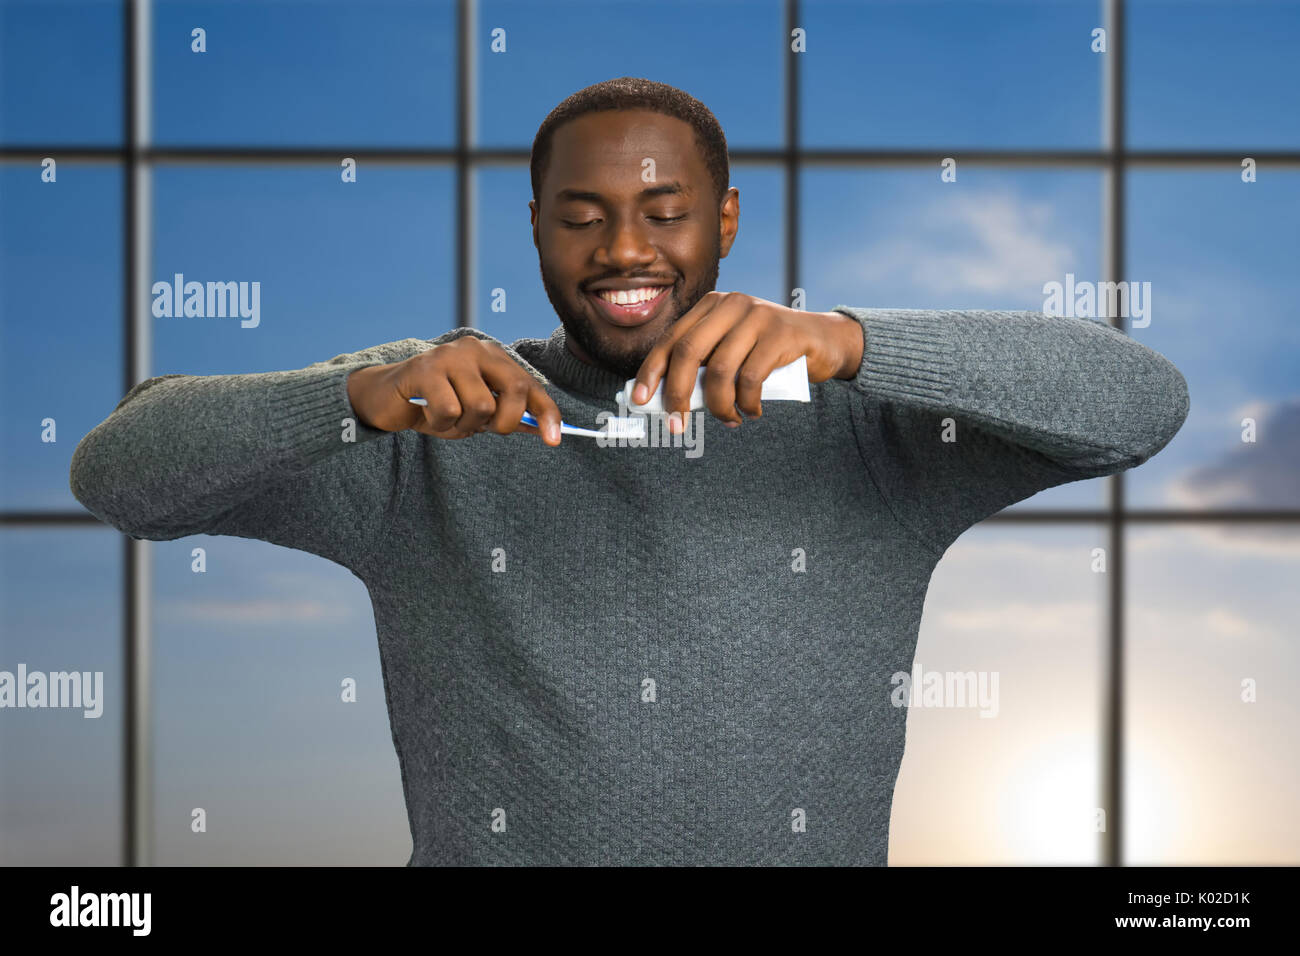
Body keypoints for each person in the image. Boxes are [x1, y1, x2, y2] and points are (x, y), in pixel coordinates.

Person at [70, 77, 1189, 865]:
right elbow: (118, 474)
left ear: (726, 220)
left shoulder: (864, 424)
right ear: (536, 230)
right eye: (582, 217)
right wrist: (345, 399)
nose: (623, 251)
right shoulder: (423, 412)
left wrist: (855, 341)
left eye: (665, 212)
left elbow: (1140, 404)